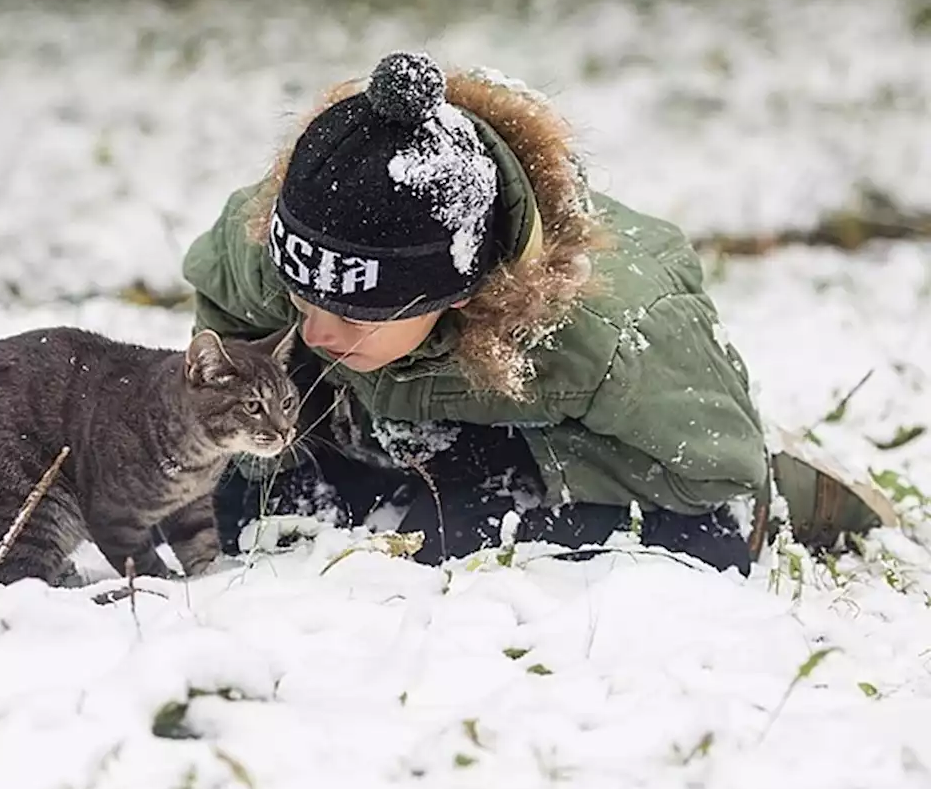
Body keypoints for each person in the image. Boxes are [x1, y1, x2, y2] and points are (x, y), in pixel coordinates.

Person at [179, 51, 835, 576]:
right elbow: (230, 331)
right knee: (223, 509)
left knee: (459, 539)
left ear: (459, 290)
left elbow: (720, 476)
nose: (319, 332)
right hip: (381, 419)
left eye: (357, 316)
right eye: (303, 298)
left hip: (572, 444)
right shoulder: (277, 242)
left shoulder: (617, 332)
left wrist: (516, 459)